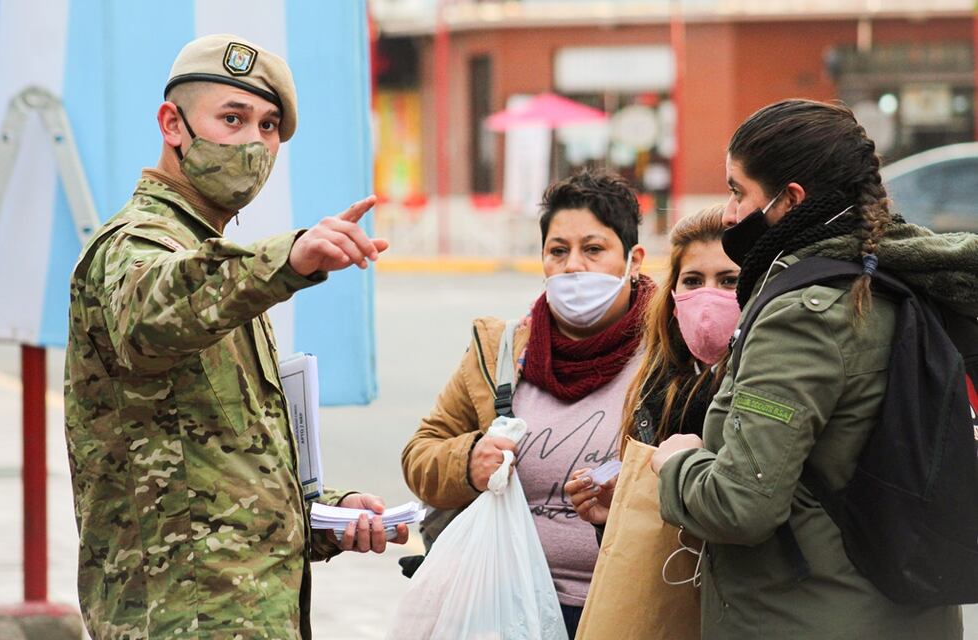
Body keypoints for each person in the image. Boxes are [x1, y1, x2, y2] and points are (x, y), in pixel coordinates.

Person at [64, 34, 407, 639]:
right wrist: (291, 259)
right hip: (176, 620)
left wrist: (324, 515)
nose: (254, 143)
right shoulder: (138, 245)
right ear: (173, 125)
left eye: (269, 125)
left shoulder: (219, 265)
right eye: (232, 118)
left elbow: (219, 466)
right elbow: (151, 315)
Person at [651, 99, 975, 638]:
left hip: (808, 616)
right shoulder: (897, 278)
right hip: (906, 609)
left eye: (738, 192)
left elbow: (742, 504)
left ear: (790, 200)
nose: (730, 215)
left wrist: (677, 466)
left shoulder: (803, 315)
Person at [401, 170, 651, 638]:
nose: (573, 266)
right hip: (505, 607)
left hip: (628, 607)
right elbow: (419, 455)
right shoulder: (498, 351)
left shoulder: (667, 354)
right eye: (558, 251)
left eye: (593, 249)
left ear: (633, 260)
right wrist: (468, 459)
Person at [563, 205, 740, 529]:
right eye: (693, 281)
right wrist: (617, 508)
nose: (708, 297)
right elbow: (644, 548)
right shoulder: (655, 386)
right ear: (673, 297)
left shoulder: (767, 380)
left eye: (729, 280)